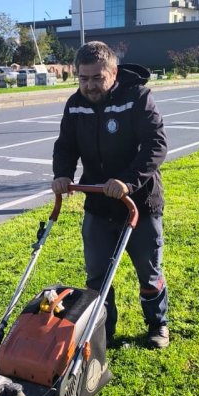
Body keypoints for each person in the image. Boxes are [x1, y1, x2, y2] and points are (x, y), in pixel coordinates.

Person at [51, 41, 169, 348]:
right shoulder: (75, 104)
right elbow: (65, 145)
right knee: (97, 276)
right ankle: (104, 329)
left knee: (148, 272)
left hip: (138, 203)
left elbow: (156, 145)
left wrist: (127, 182)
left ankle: (158, 324)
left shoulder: (137, 97)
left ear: (113, 72)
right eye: (83, 78)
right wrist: (62, 174)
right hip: (99, 205)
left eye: (96, 78)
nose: (89, 86)